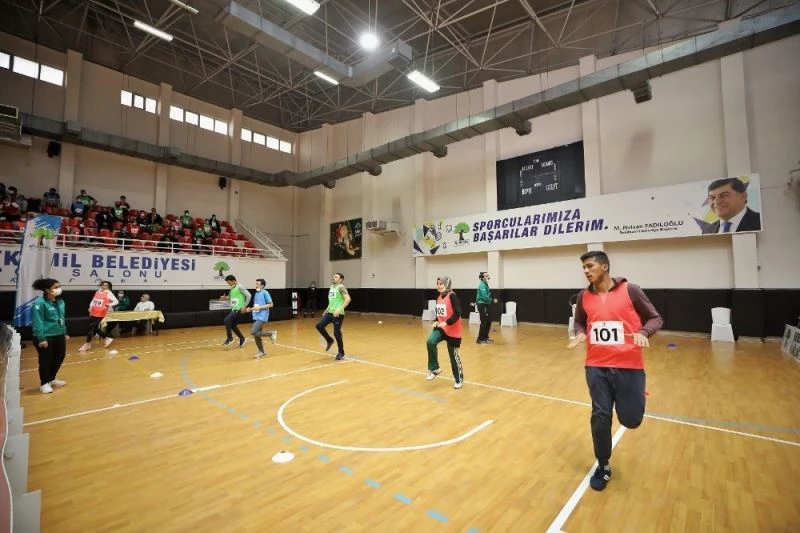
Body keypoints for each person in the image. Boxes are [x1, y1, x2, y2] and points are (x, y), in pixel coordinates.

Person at [567, 250, 663, 491]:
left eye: (590, 266)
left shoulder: (631, 290)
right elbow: (579, 321)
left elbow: (655, 318)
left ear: (605, 267)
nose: (586, 271)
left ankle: (634, 397)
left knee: (631, 419)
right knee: (600, 416)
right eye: (584, 268)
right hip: (596, 366)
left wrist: (643, 332)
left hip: (629, 366)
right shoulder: (583, 296)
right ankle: (603, 465)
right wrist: (580, 333)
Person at [426, 276, 464, 389]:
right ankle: (435, 369)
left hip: (453, 330)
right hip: (442, 329)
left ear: (447, 285)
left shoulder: (452, 296)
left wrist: (447, 323)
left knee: (453, 357)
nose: (439, 285)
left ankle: (459, 380)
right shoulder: (439, 297)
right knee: (430, 342)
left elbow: (458, 313)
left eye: (441, 283)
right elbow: (440, 314)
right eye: (437, 283)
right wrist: (436, 321)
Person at [31, 278, 69, 394]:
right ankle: (44, 383)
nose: (59, 289)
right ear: (47, 290)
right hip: (46, 336)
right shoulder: (40, 303)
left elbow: (62, 318)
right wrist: (41, 338)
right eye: (55, 287)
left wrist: (64, 333)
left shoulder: (61, 301)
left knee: (60, 356)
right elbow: (38, 321)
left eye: (59, 286)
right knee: (46, 360)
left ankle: (52, 378)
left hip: (59, 334)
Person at [316, 272, 350, 360]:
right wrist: (327, 309)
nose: (333, 278)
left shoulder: (341, 287)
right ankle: (329, 340)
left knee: (336, 333)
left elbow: (348, 299)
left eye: (336, 277)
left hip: (338, 314)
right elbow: (332, 301)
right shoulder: (332, 287)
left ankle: (341, 352)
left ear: (340, 280)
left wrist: (339, 309)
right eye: (334, 276)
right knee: (319, 325)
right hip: (330, 313)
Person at [78, 280, 118, 352]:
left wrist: (108, 305)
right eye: (103, 285)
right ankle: (107, 338)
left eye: (106, 285)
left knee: (91, 327)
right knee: (94, 328)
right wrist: (90, 307)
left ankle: (87, 344)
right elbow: (93, 301)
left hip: (101, 313)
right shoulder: (97, 292)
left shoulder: (108, 293)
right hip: (94, 312)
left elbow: (116, 301)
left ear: (108, 287)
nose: (104, 286)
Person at [245, 278, 277, 358]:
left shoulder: (265, 292)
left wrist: (260, 307)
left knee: (253, 332)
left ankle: (271, 333)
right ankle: (261, 352)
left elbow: (271, 304)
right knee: (256, 335)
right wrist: (250, 309)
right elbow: (257, 306)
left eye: (258, 284)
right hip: (256, 316)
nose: (256, 285)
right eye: (256, 284)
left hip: (262, 316)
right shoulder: (256, 294)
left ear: (262, 286)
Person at [220, 274, 251, 348]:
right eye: (228, 283)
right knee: (233, 325)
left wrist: (244, 306)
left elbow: (249, 295)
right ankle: (242, 338)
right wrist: (225, 298)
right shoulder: (232, 288)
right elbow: (229, 297)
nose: (229, 284)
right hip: (234, 309)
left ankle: (230, 338)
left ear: (234, 280)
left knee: (226, 320)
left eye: (229, 282)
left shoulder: (240, 286)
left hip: (239, 309)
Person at [475, 271, 497, 344]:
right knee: (484, 322)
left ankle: (485, 337)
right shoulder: (482, 285)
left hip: (487, 305)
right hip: (482, 305)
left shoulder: (486, 284)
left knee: (488, 321)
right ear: (482, 278)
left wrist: (490, 300)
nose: (488, 277)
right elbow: (484, 297)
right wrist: (492, 300)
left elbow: (487, 295)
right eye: (486, 276)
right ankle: (480, 339)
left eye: (488, 275)